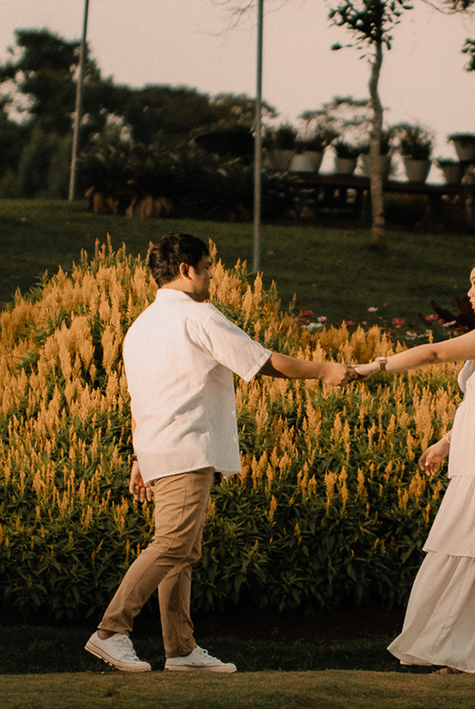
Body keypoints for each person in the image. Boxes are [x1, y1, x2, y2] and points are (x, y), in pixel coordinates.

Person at [85, 233, 362, 674]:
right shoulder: (199, 316)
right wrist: (324, 370)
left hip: (160, 448)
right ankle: (110, 631)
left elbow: (142, 398)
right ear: (186, 269)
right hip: (187, 447)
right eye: (208, 266)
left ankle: (181, 650)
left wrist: (140, 457)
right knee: (173, 544)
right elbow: (261, 361)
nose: (212, 275)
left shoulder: (140, 326)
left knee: (182, 551)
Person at [353, 253, 475, 675]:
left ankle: (468, 659)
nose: (469, 293)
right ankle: (474, 661)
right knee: (469, 554)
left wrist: (374, 367)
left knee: (471, 554)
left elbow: (435, 352)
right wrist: (446, 442)